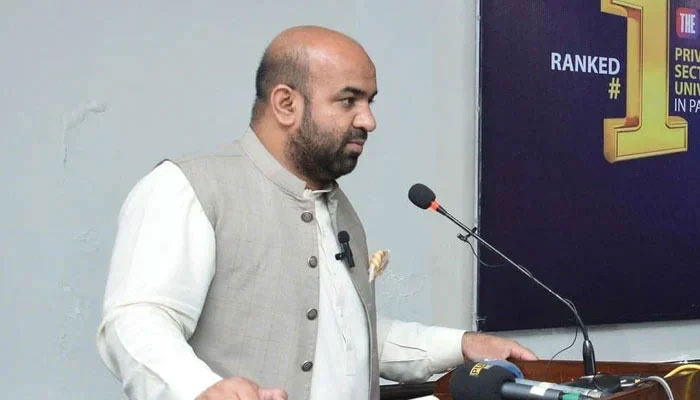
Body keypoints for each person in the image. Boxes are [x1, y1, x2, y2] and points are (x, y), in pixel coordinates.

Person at [96, 25, 536, 400]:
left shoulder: (337, 207)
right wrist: (201, 388)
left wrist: (461, 345)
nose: (368, 120)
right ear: (286, 104)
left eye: (370, 101)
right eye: (349, 100)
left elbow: (343, 336)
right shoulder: (187, 187)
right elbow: (135, 321)